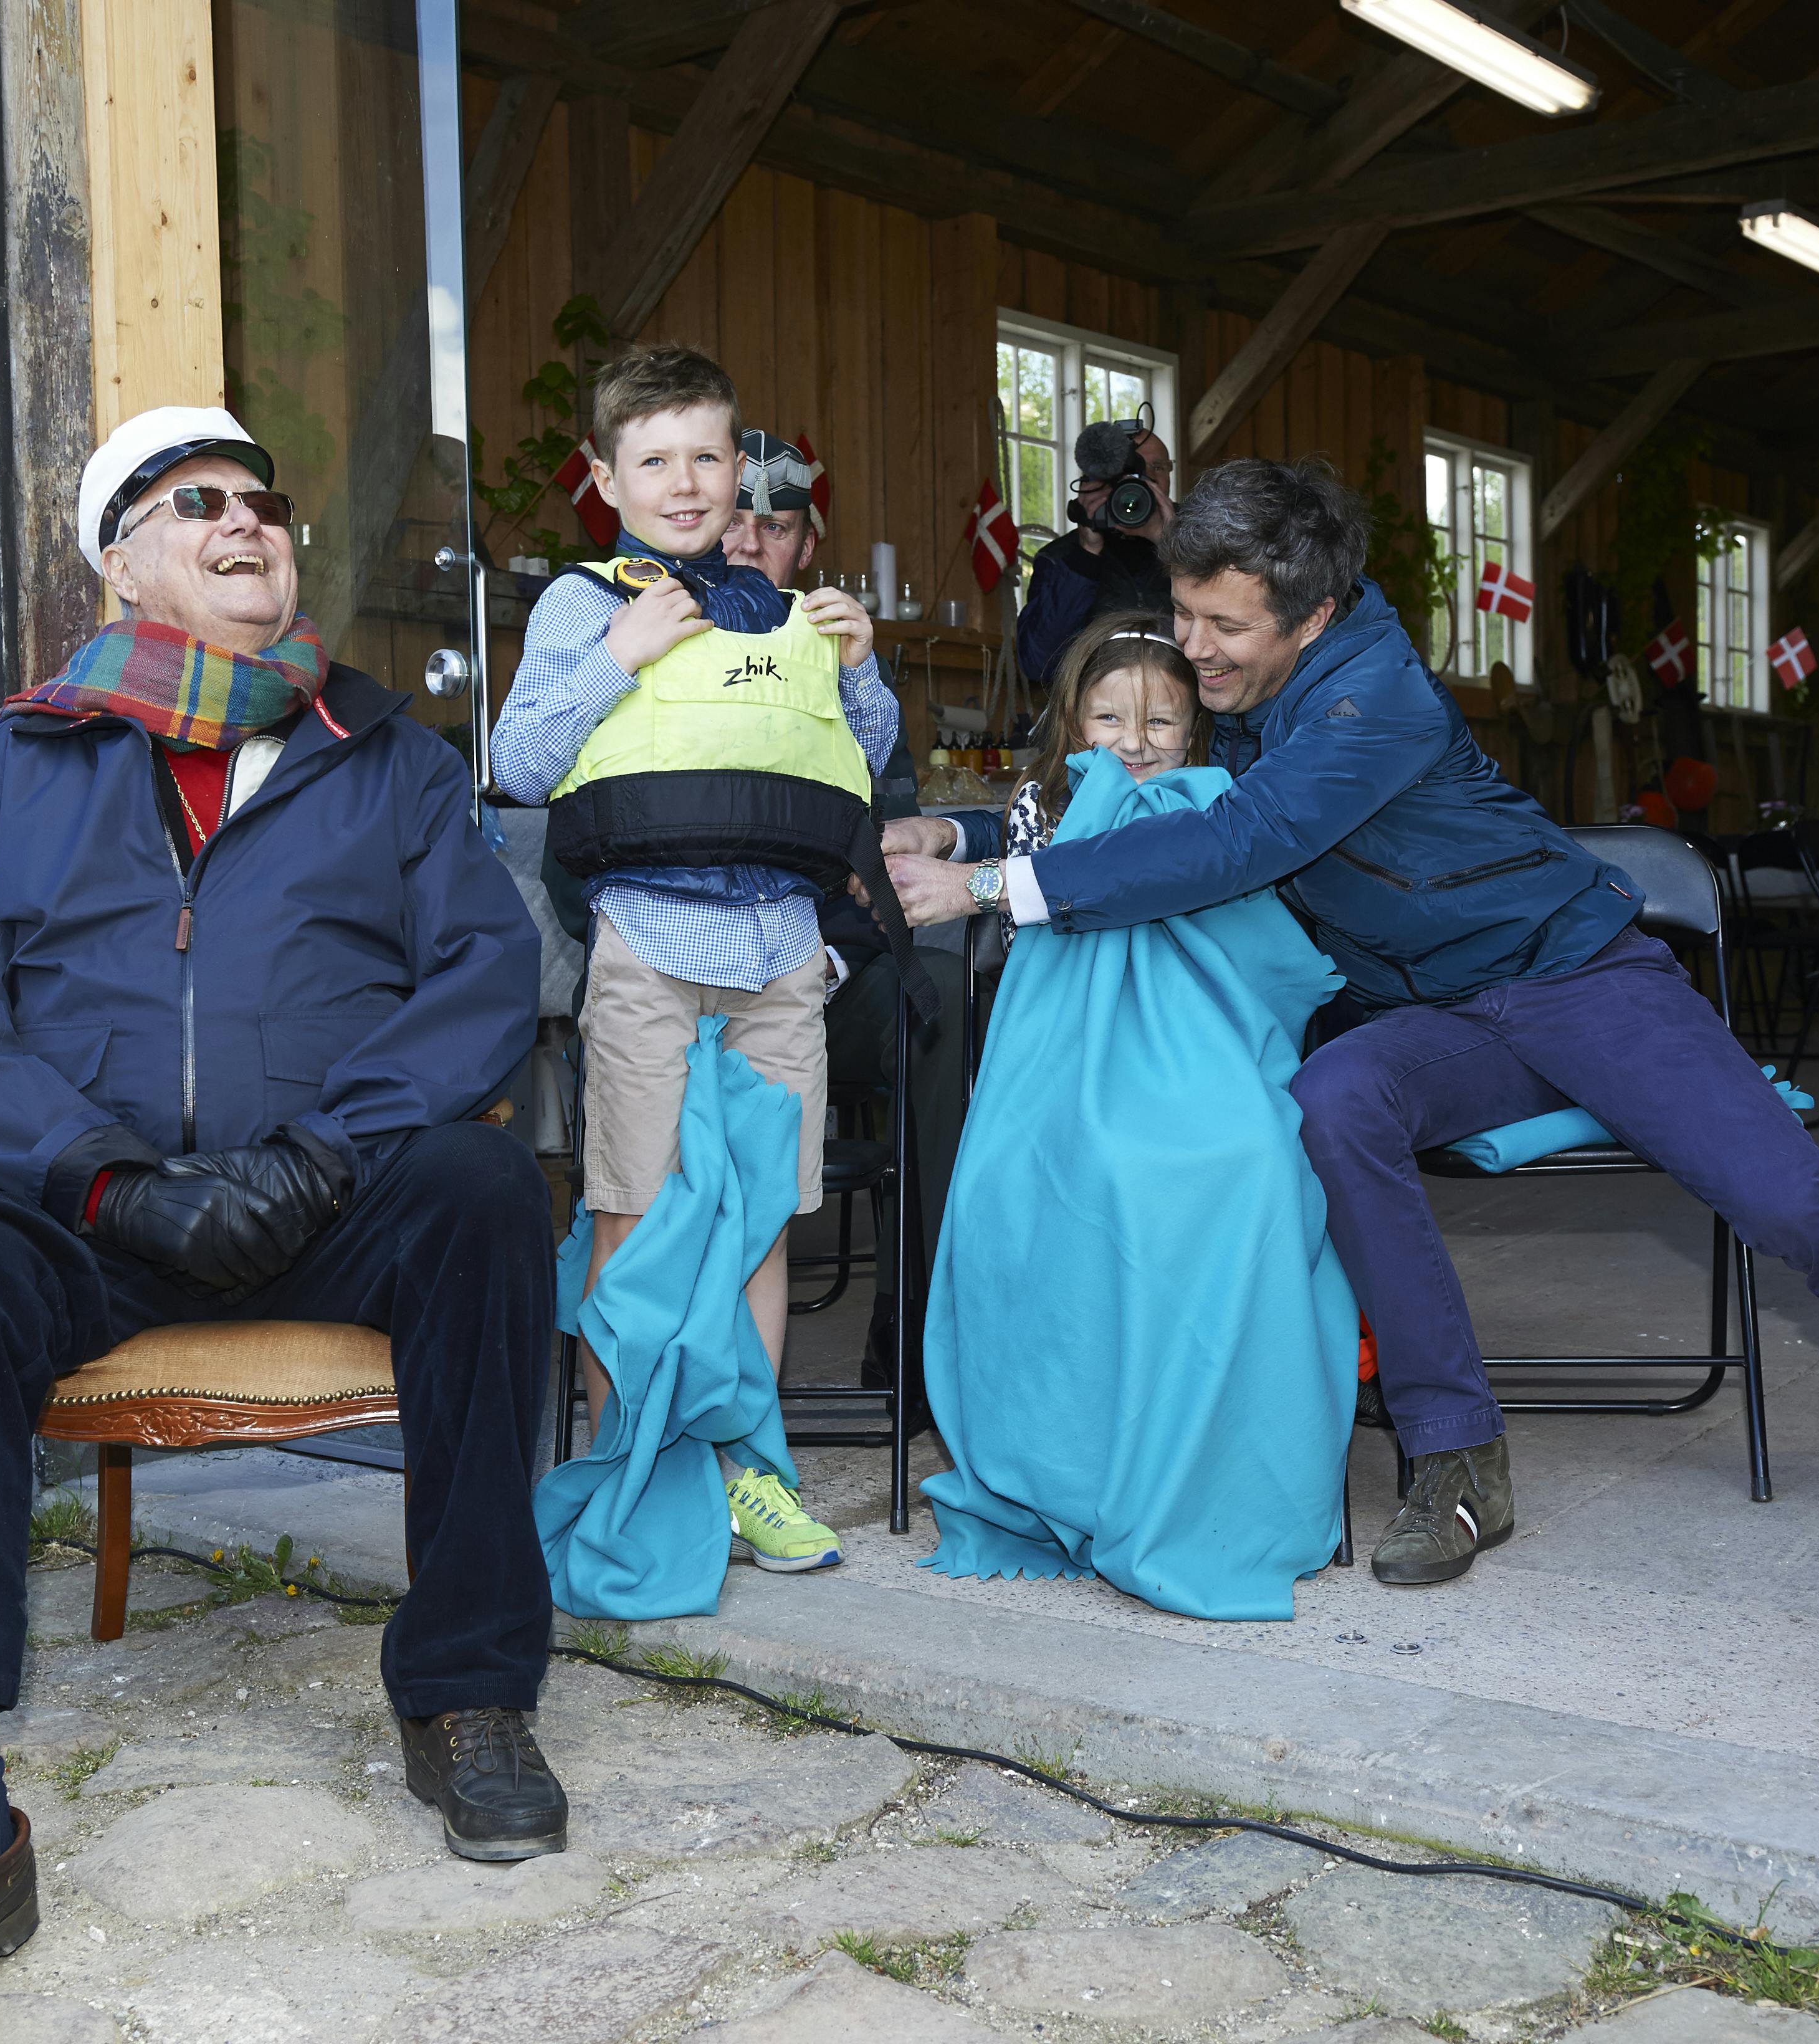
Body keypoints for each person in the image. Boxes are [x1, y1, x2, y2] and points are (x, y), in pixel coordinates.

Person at [887, 458, 1819, 1593]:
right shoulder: (1250, 701)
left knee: (1804, 1208)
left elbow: (1245, 836)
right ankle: (1457, 1457)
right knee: (1337, 1098)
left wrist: (1001, 888)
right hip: (1440, 1016)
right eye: (1182, 615)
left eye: (1220, 628)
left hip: (1581, 980)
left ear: (1313, 612)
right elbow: (1137, 782)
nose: (1192, 650)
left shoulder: (1376, 699)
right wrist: (955, 827)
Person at [0, 408, 562, 2036]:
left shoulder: (388, 755)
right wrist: (98, 1172)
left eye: (263, 503)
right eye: (196, 503)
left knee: (488, 1196)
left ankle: (466, 1695)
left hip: (329, 1190)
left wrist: (321, 1152)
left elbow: (484, 981)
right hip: (89, 1206)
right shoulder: (23, 758)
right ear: (122, 561)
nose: (247, 525)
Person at [488, 348, 887, 1577]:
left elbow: (858, 755)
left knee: (761, 1220)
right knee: (637, 1216)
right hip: (648, 949)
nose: (685, 480)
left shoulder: (789, 608)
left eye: (707, 455)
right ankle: (632, 1464)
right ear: (605, 478)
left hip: (780, 950)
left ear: (737, 469)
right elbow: (516, 761)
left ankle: (749, 1469)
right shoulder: (580, 603)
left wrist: (862, 668)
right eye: (653, 459)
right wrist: (622, 649)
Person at [920, 626, 1363, 1620]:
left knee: (1250, 1162)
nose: (1136, 739)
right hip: (1069, 1040)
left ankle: (1220, 1453)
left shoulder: (1222, 805)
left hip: (1201, 1031)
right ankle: (1075, 1456)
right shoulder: (1048, 802)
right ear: (1074, 723)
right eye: (1110, 718)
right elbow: (1010, 849)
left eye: (1162, 719)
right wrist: (954, 834)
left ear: (1196, 727)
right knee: (1060, 1175)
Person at [722, 428, 965, 1398]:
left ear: (806, 545)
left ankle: (922, 1351)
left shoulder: (843, 663)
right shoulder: (641, 637)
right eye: (733, 517)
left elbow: (890, 860)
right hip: (682, 969)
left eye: (773, 525)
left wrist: (828, 945)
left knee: (943, 988)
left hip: (828, 975)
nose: (748, 541)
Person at [1014, 414, 1176, 685]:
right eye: (1130, 473)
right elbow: (1039, 665)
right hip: (1098, 716)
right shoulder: (1061, 559)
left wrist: (1174, 545)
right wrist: (1087, 553)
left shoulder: (1201, 541)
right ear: (1099, 480)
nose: (1146, 481)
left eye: (1157, 467)